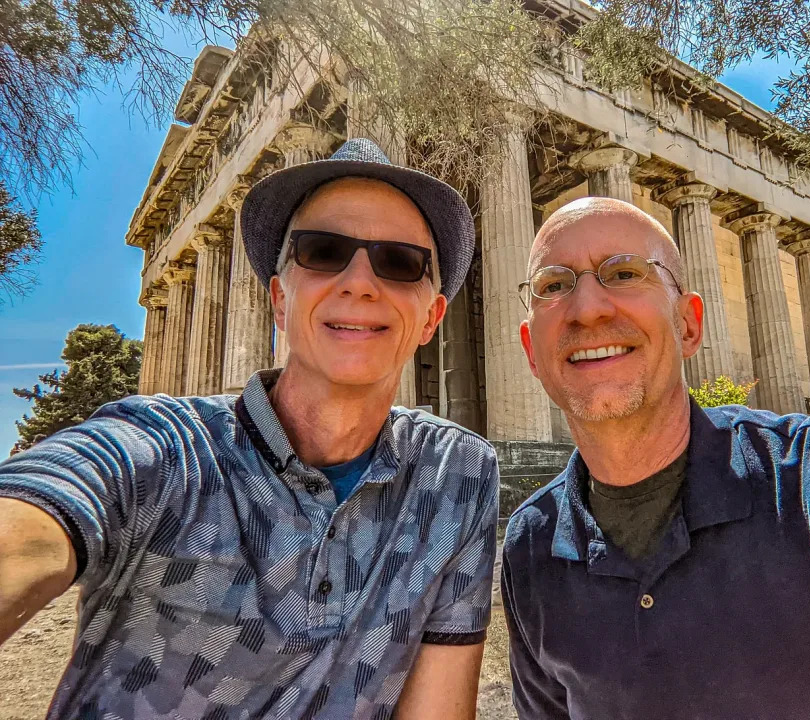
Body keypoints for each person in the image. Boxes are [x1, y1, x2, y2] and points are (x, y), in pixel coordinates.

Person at [0, 138, 499, 719]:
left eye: (400, 262)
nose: (361, 282)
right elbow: (41, 512)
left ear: (431, 319)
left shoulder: (455, 475)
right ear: (279, 300)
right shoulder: (166, 450)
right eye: (323, 251)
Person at [502, 196, 810, 719]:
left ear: (690, 326)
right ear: (532, 352)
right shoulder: (532, 548)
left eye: (624, 273)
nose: (588, 308)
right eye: (554, 286)